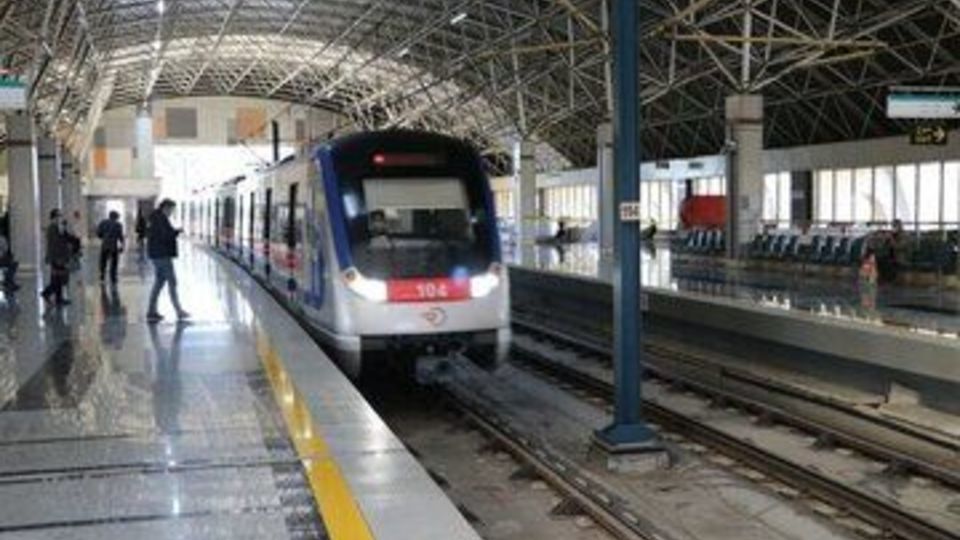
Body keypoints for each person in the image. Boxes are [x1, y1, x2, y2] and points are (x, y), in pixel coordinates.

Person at [146, 199, 188, 322]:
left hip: (157, 254)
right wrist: (176, 231)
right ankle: (179, 311)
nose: (171, 212)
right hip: (162, 255)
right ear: (166, 208)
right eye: (171, 209)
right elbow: (164, 235)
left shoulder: (156, 217)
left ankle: (151, 311)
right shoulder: (160, 219)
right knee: (172, 282)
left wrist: (173, 232)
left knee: (159, 283)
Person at [41, 209, 72, 307]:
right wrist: (59, 258)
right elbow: (55, 244)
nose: (60, 218)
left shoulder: (56, 228)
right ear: (54, 217)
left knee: (57, 279)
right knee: (57, 278)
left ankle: (58, 298)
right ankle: (48, 294)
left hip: (58, 257)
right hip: (57, 258)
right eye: (59, 216)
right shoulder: (52, 228)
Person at [96, 211, 125, 284]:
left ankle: (102, 275)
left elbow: (98, 233)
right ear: (116, 217)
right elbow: (120, 236)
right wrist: (122, 245)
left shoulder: (103, 223)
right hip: (113, 246)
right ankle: (113, 277)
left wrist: (103, 237)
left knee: (103, 261)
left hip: (105, 245)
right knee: (114, 262)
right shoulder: (118, 225)